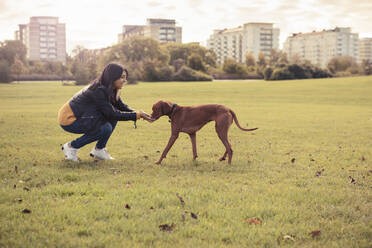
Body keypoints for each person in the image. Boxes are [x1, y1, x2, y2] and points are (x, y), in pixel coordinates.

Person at [58, 63, 153, 161]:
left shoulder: (110, 89)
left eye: (125, 77)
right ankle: (71, 147)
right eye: (122, 77)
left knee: (112, 120)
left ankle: (99, 150)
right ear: (112, 77)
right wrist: (137, 115)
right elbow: (112, 113)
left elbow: (120, 106)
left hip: (82, 116)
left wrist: (139, 113)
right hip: (69, 120)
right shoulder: (98, 90)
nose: (125, 80)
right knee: (105, 128)